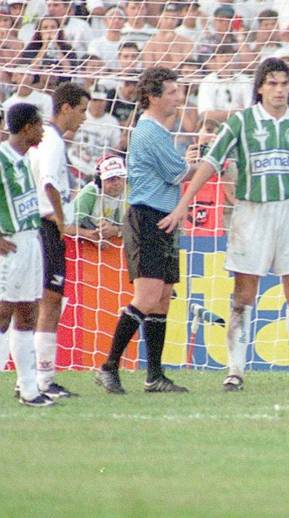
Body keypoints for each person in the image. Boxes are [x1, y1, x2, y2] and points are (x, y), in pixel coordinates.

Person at [159, 58, 289, 391]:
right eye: (273, 83)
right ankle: (235, 370)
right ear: (259, 87)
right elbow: (211, 163)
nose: (280, 90)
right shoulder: (241, 123)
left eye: (285, 84)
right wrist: (184, 203)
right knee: (244, 292)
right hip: (252, 212)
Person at [95, 67, 197, 394]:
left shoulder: (158, 131)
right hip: (147, 217)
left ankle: (154, 376)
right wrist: (199, 159)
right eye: (171, 92)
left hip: (164, 218)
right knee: (148, 296)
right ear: (152, 97)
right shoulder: (148, 131)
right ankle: (109, 365)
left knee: (163, 298)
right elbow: (176, 172)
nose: (177, 97)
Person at [26, 82, 88, 400]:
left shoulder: (46, 139)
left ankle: (34, 377)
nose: (83, 118)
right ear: (66, 108)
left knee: (43, 303)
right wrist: (62, 221)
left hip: (35, 227)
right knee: (50, 302)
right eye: (81, 111)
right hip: (45, 226)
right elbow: (49, 182)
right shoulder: (52, 140)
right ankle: (43, 379)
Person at [0, 104, 51, 407]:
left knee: (28, 312)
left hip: (31, 241)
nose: (43, 131)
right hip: (11, 244)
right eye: (40, 125)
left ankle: (29, 389)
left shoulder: (23, 160)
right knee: (3, 312)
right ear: (28, 127)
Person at [71, 155, 127, 243]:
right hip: (81, 242)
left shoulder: (129, 193)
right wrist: (89, 234)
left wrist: (115, 230)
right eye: (111, 179)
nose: (117, 183)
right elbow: (66, 226)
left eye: (120, 177)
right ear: (99, 181)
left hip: (110, 242)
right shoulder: (89, 194)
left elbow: (136, 227)